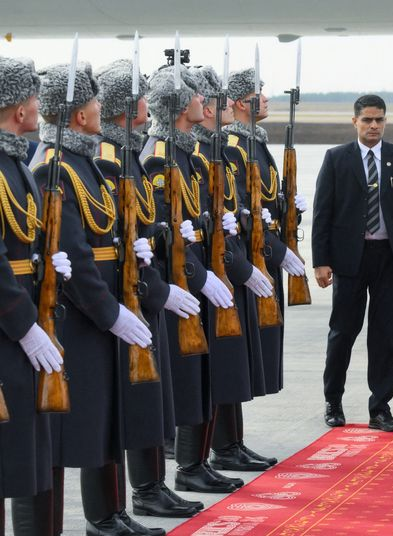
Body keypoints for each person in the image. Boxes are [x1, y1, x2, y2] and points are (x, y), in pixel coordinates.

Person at [31, 62, 161, 535]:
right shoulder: (56, 167)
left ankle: (110, 513)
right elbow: (73, 253)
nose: (101, 108)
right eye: (94, 102)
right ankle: (100, 517)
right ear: (79, 115)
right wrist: (110, 313)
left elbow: (106, 229)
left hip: (105, 303)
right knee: (77, 427)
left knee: (105, 417)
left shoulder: (84, 162)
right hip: (81, 314)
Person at [94, 59, 204, 518]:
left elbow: (143, 221)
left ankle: (151, 486)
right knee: (128, 405)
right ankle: (137, 496)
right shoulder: (108, 157)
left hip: (144, 289)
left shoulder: (126, 152)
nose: (146, 102)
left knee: (148, 396)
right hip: (127, 294)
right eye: (138, 96)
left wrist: (157, 234)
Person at [141, 64, 243, 495]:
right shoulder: (159, 157)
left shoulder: (188, 154)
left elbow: (195, 220)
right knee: (185, 379)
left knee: (200, 375)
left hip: (198, 273)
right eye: (197, 96)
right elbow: (163, 232)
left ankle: (196, 464)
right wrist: (198, 278)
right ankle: (185, 468)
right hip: (178, 283)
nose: (205, 101)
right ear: (182, 105)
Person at [312, 94, 393, 432]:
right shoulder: (336, 159)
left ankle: (380, 408)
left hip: (388, 258)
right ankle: (333, 401)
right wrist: (321, 261)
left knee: (384, 337)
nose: (374, 126)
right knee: (342, 333)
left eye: (379, 120)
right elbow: (322, 213)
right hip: (349, 259)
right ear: (355, 122)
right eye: (367, 120)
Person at [190, 65, 277, 472]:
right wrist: (238, 268)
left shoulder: (222, 149)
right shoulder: (201, 153)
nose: (223, 104)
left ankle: (230, 444)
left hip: (229, 263)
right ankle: (209, 455)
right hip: (211, 270)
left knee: (228, 362)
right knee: (215, 366)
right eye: (216, 99)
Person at [0, 55, 71, 536]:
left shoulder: (16, 161)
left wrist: (48, 265)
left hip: (26, 316)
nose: (39, 108)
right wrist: (24, 326)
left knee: (28, 454)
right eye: (33, 99)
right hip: (9, 326)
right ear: (19, 109)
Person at [225, 67, 308, 455]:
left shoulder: (254, 143)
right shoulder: (236, 147)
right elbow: (245, 213)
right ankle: (226, 445)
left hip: (266, 251)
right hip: (254, 254)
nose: (266, 98)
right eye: (258, 93)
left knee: (246, 356)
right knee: (236, 354)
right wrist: (277, 251)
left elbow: (268, 204)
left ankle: (233, 442)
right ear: (242, 103)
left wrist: (292, 212)